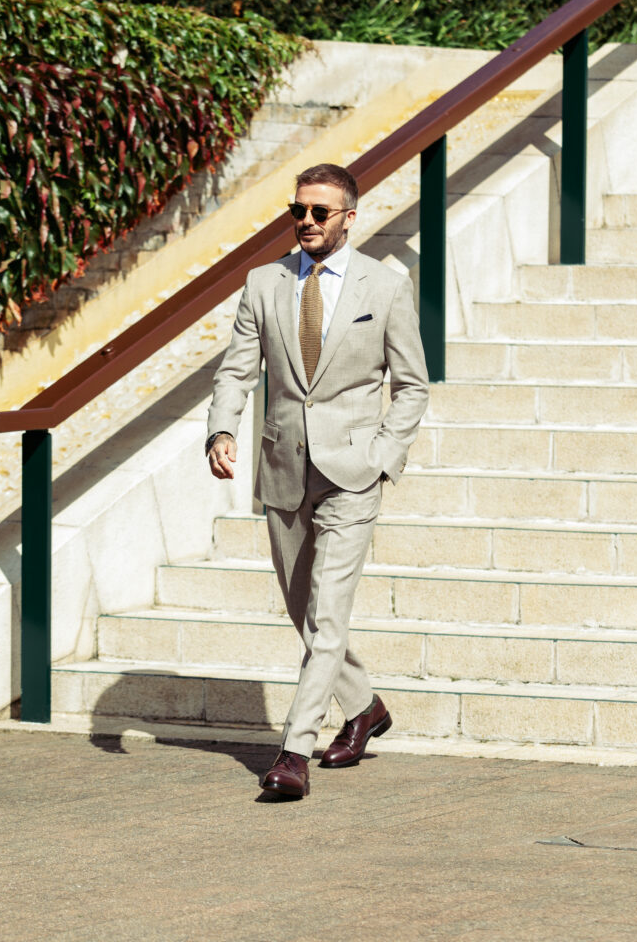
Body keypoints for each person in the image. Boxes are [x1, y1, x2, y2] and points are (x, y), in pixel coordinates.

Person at [206, 162, 429, 799]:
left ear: (348, 218)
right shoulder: (263, 283)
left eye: (319, 212)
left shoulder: (385, 288)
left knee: (327, 616)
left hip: (352, 474)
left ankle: (294, 753)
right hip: (283, 468)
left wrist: (383, 455)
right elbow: (236, 370)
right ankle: (365, 708)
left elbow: (412, 386)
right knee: (304, 610)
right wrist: (221, 431)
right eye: (297, 210)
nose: (305, 221)